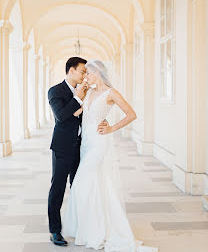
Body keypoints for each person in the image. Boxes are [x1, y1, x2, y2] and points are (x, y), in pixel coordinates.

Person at [63, 60, 158, 252]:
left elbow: (131, 114)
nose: (85, 77)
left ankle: (97, 230)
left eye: (88, 73)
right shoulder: (89, 92)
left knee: (81, 182)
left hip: (99, 143)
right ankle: (91, 228)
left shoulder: (111, 93)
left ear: (97, 72)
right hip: (86, 144)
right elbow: (81, 113)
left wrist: (111, 128)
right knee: (94, 184)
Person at [48, 56, 88, 246]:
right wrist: (78, 97)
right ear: (71, 70)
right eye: (82, 71)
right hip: (62, 147)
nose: (84, 75)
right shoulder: (55, 91)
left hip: (82, 147)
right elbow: (61, 116)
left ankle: (80, 225)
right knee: (58, 189)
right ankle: (55, 230)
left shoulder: (87, 91)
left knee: (79, 187)